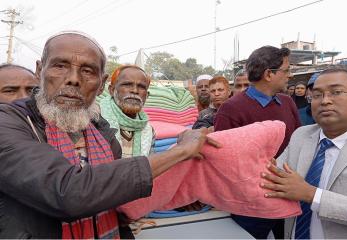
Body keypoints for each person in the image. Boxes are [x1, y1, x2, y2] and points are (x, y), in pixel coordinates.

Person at [0, 31, 220, 239]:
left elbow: (112, 194)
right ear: (40, 71)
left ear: (102, 84)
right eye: (60, 66)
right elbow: (68, 191)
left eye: (87, 71)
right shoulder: (10, 122)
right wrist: (180, 152)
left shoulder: (101, 130)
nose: (73, 79)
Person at [260, 68, 347, 239]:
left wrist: (311, 194)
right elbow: (270, 180)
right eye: (317, 95)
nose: (325, 101)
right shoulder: (301, 135)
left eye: (336, 92)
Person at [214, 45, 301, 239]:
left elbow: (297, 141)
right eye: (286, 70)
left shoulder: (287, 102)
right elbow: (221, 160)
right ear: (269, 74)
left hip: (287, 194)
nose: (290, 76)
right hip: (250, 206)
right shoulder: (231, 109)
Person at [99, 64, 155, 158]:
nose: (135, 90)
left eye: (141, 87)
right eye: (127, 85)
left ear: (147, 95)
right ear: (112, 90)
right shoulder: (97, 120)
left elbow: (149, 166)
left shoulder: (149, 130)